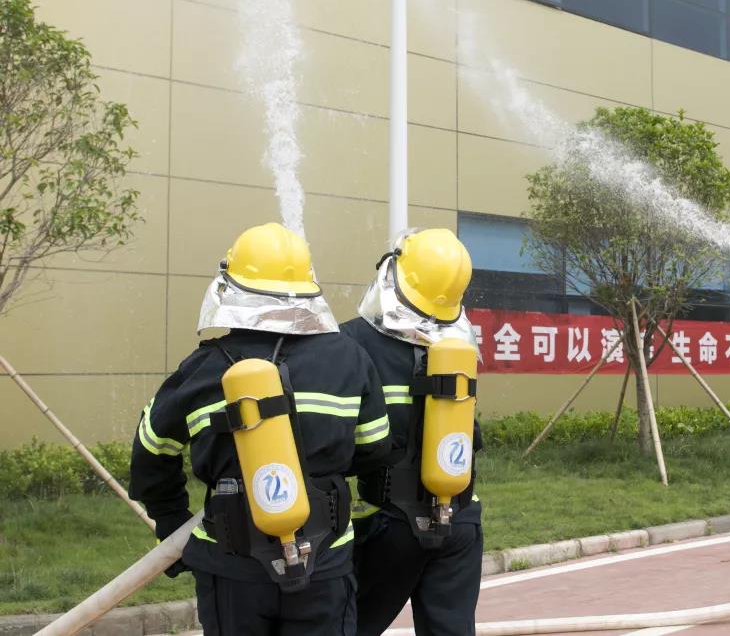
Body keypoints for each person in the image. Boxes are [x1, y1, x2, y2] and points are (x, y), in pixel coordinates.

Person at [129, 223, 390, 636]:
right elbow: (375, 446)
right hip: (325, 561)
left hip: (231, 567)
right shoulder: (349, 358)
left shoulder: (202, 369)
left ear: (230, 286)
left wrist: (170, 520)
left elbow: (150, 450)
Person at [341, 228, 483, 636]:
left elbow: (346, 442)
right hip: (461, 518)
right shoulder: (458, 348)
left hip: (390, 521)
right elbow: (472, 437)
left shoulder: (351, 341)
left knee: (349, 626)